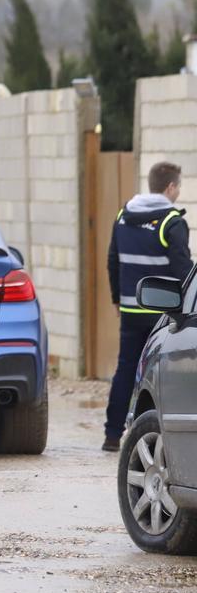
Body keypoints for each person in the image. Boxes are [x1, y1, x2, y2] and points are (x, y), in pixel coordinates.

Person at [104, 161, 192, 452]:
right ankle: (158, 435)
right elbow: (184, 269)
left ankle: (113, 435)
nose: (178, 192)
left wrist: (118, 298)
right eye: (178, 187)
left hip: (130, 309)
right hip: (162, 312)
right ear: (170, 187)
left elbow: (113, 260)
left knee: (126, 368)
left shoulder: (124, 216)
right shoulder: (171, 222)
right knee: (161, 373)